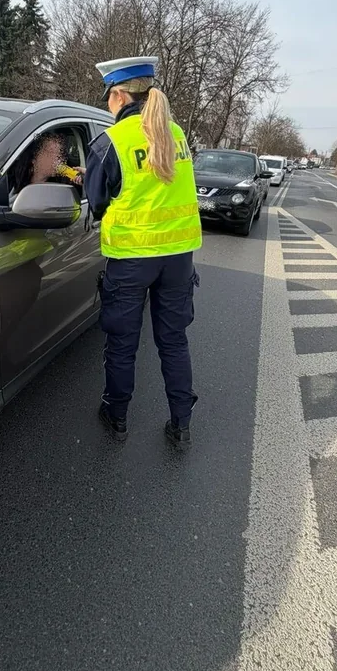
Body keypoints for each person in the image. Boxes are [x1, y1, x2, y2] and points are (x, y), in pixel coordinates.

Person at [83, 56, 202, 449]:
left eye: (108, 98)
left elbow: (98, 204)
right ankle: (180, 425)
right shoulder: (176, 134)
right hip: (178, 260)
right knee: (173, 342)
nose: (107, 106)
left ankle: (116, 417)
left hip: (132, 260)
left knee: (122, 345)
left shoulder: (113, 141)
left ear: (118, 94)